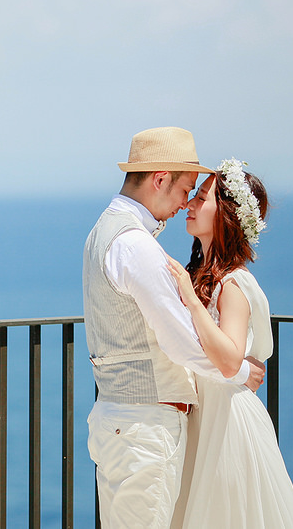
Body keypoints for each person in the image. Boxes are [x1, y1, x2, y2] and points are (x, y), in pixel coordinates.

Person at [83, 127, 265, 529]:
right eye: (187, 190)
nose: (186, 203)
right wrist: (238, 371)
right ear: (160, 179)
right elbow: (181, 342)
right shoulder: (136, 245)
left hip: (118, 422)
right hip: (144, 429)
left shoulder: (104, 230)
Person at [166, 159, 293, 528]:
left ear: (226, 213)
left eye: (201, 197)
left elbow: (230, 361)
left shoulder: (233, 284)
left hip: (228, 422)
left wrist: (189, 295)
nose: (190, 204)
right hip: (202, 416)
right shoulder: (202, 274)